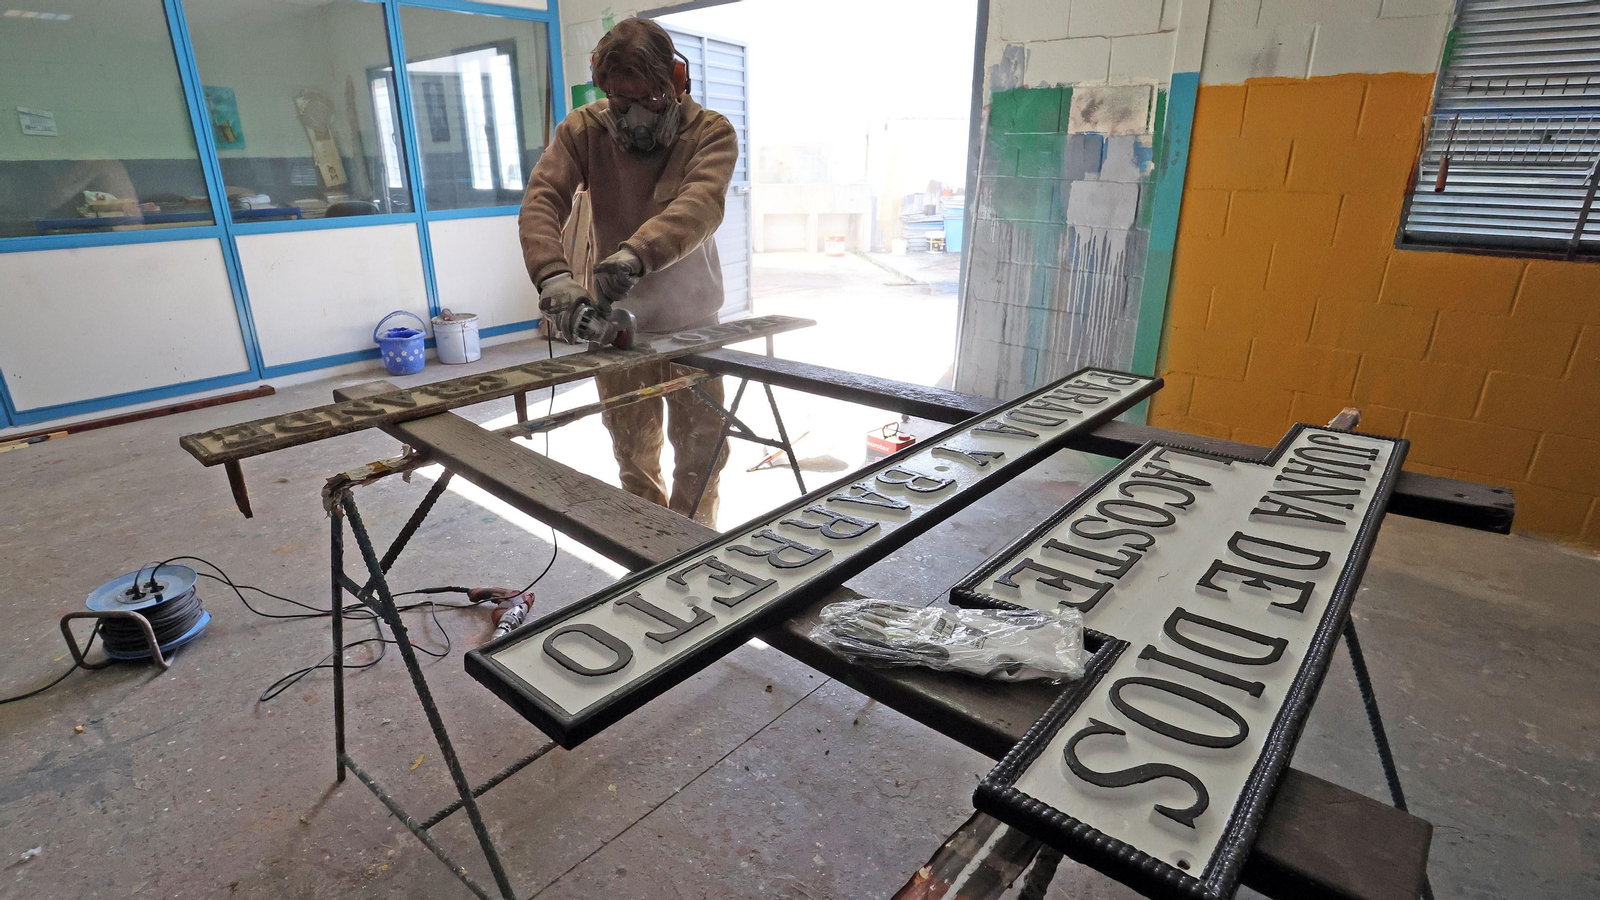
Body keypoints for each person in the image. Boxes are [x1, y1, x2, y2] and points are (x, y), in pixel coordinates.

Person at [518, 17, 738, 527]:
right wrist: (553, 276)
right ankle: (647, 550)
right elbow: (541, 201)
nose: (635, 118)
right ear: (605, 91)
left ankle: (694, 549)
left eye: (652, 101)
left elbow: (700, 205)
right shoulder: (583, 130)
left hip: (694, 324)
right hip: (620, 327)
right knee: (634, 453)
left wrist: (638, 254)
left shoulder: (710, 133)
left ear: (678, 81)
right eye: (620, 103)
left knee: (702, 452)